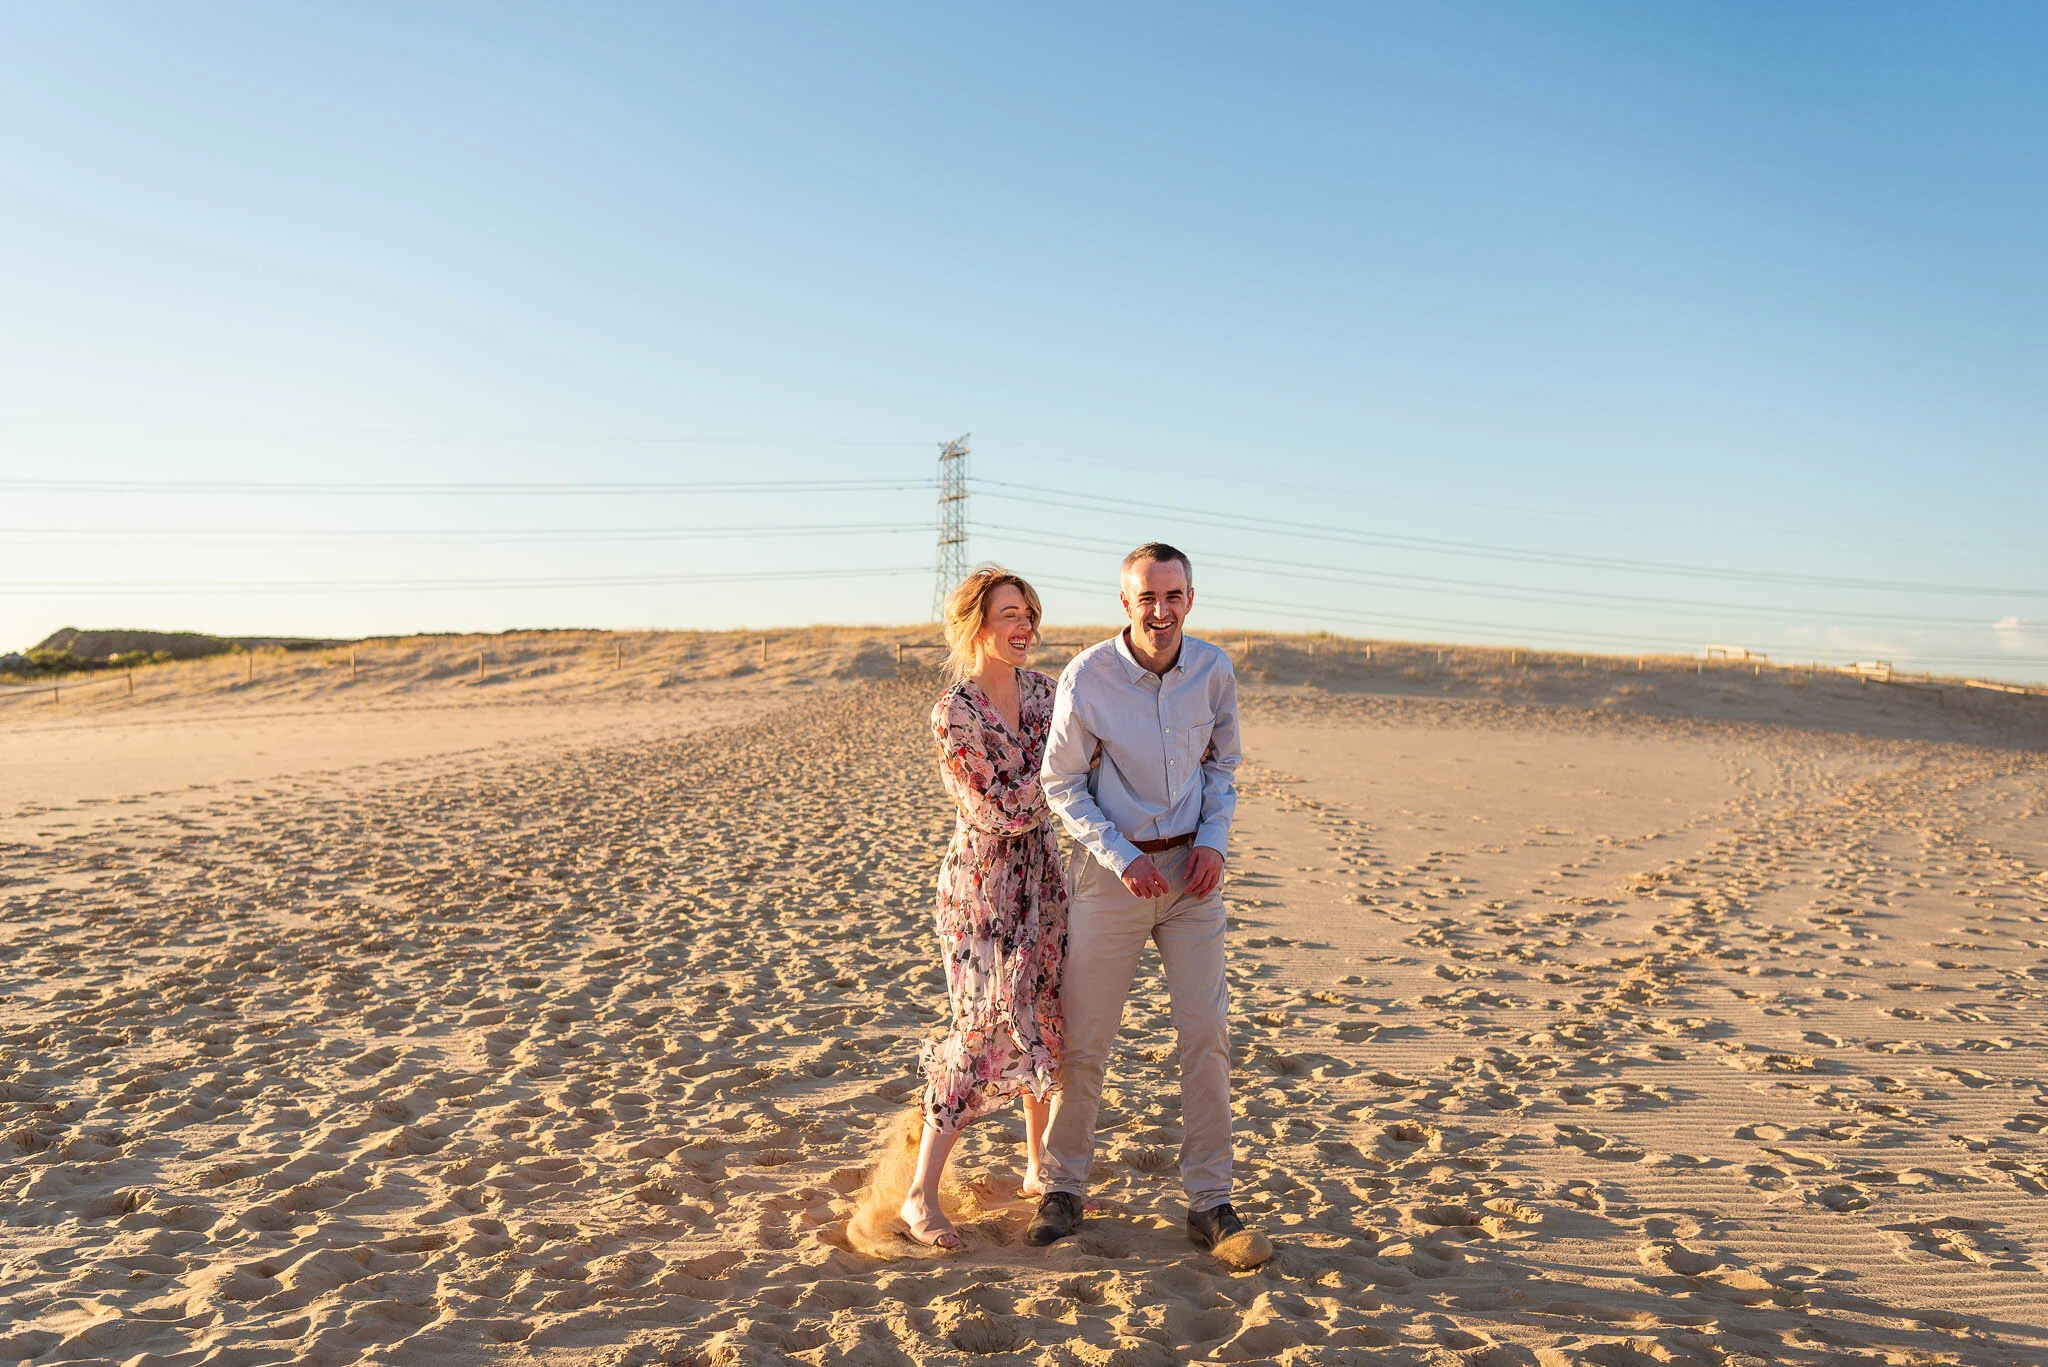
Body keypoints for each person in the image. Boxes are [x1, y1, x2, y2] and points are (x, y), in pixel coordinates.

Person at [1027, 541, 1262, 1261]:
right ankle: (1062, 1187)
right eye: (1147, 597)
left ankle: (1211, 1200)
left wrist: (1215, 840)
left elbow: (1222, 764)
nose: (1161, 610)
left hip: (1194, 878)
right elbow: (1060, 783)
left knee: (1207, 1037)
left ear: (1190, 598)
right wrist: (1122, 857)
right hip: (1113, 876)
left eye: (1174, 596)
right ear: (1125, 603)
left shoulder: (1214, 670)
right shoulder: (1088, 676)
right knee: (1087, 1039)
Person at [899, 566, 1069, 1250]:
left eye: (1029, 611)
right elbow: (995, 809)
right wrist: (1059, 778)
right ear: (976, 624)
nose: (1025, 624)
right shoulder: (955, 711)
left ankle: (1039, 1167)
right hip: (981, 890)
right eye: (1009, 613)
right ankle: (918, 1194)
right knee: (980, 1028)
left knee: (1048, 1018)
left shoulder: (1049, 694)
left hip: (1047, 883)